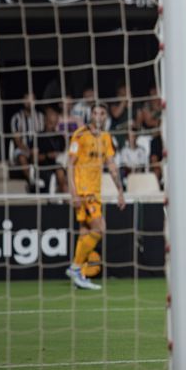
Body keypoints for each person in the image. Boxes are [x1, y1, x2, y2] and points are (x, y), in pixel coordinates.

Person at [65, 103, 126, 290]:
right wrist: (73, 192)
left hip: (95, 190)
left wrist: (120, 190)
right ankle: (76, 268)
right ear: (90, 115)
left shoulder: (106, 137)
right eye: (95, 112)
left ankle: (79, 276)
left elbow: (112, 166)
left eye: (102, 113)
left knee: (84, 231)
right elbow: (69, 165)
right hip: (84, 191)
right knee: (100, 228)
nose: (98, 116)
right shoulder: (80, 135)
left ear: (105, 117)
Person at [10, 92, 44, 192]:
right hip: (22, 148)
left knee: (37, 153)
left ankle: (38, 177)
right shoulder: (16, 118)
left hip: (37, 147)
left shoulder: (41, 117)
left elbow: (42, 136)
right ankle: (32, 180)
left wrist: (35, 148)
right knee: (22, 156)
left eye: (31, 100)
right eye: (27, 100)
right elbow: (17, 139)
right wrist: (26, 149)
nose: (29, 102)